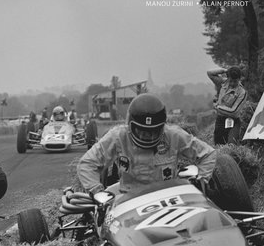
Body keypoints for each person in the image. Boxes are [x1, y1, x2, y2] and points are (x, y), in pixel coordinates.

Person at [77, 93, 216, 196]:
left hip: (168, 197)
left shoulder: (174, 135)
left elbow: (208, 153)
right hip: (129, 201)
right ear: (130, 125)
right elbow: (87, 163)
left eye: (153, 131)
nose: (147, 136)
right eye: (142, 131)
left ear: (162, 127)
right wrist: (97, 191)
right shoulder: (118, 136)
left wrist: (199, 180)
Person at [207, 66, 247, 145]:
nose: (232, 83)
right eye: (230, 81)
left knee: (231, 145)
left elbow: (234, 112)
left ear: (239, 79)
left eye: (235, 81)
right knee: (219, 146)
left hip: (233, 121)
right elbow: (210, 73)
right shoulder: (222, 82)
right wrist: (225, 71)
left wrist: (218, 107)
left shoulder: (242, 92)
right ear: (227, 78)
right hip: (220, 120)